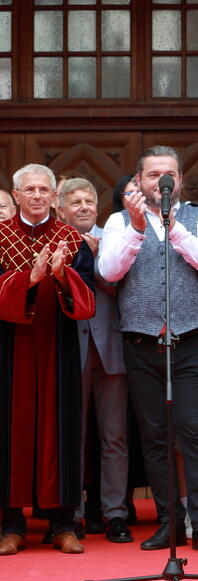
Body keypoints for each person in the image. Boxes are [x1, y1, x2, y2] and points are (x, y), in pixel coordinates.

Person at [99, 145, 198, 555]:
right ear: (138, 181)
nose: (160, 181)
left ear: (180, 180)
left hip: (189, 342)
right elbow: (109, 272)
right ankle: (169, 523)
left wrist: (173, 227)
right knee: (155, 437)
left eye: (167, 174)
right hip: (141, 343)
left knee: (194, 432)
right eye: (152, 175)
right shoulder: (119, 221)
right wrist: (138, 229)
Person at [0, 164, 96, 556]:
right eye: (30, 190)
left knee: (61, 430)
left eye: (44, 190)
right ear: (17, 194)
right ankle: (10, 524)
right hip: (11, 346)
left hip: (59, 346)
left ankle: (62, 523)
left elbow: (89, 297)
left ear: (54, 197)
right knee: (11, 431)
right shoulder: (1, 236)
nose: (37, 196)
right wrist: (28, 280)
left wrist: (61, 277)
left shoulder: (70, 238)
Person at [59, 177, 134, 544]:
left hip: (111, 349)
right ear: (61, 209)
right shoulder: (54, 242)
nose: (84, 207)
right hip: (69, 350)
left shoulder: (113, 238)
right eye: (75, 202)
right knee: (73, 436)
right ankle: (69, 514)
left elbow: (123, 288)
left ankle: (115, 514)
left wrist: (99, 261)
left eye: (89, 201)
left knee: (114, 437)